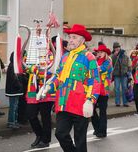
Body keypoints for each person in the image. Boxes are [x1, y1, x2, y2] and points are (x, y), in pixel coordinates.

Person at [43, 24, 100, 152]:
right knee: (60, 134)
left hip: (80, 104)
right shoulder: (65, 57)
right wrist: (49, 86)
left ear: (82, 40)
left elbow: (95, 81)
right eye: (70, 37)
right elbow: (58, 76)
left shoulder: (89, 57)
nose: (71, 40)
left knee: (80, 140)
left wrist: (90, 100)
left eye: (74, 37)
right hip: (64, 102)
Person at [91, 44, 113, 138]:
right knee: (91, 110)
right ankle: (97, 128)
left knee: (102, 111)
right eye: (98, 52)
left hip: (103, 90)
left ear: (105, 53)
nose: (99, 54)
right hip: (95, 89)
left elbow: (100, 70)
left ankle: (102, 131)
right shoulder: (96, 61)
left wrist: (93, 63)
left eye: (101, 52)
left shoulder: (108, 62)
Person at [5, 52, 24, 129]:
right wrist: (20, 86)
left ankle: (14, 121)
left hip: (15, 91)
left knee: (15, 106)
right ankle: (11, 122)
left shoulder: (14, 66)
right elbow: (14, 79)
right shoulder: (12, 66)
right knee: (13, 107)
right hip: (14, 91)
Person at [111, 42, 131, 107]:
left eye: (118, 47)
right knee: (117, 89)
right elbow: (111, 64)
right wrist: (114, 55)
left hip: (124, 74)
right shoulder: (112, 56)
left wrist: (129, 72)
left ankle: (125, 102)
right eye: (115, 48)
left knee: (124, 88)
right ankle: (117, 102)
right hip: (116, 74)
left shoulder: (124, 55)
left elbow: (129, 65)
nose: (117, 49)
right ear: (114, 49)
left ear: (120, 47)